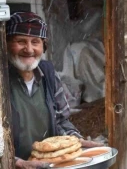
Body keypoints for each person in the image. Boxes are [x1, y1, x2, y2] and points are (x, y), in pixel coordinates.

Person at [6, 12, 102, 169]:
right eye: (20, 41)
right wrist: (17, 162)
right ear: (7, 44)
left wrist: (77, 140)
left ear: (43, 46)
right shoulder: (2, 81)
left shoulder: (47, 74)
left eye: (35, 42)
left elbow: (61, 120)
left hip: (49, 165)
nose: (29, 49)